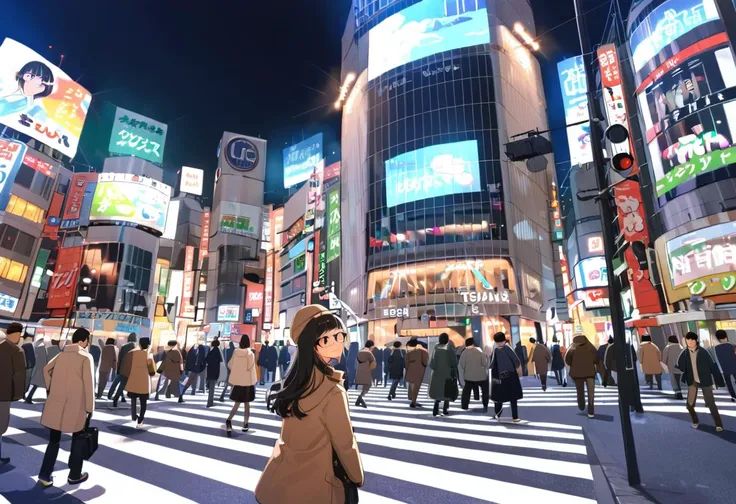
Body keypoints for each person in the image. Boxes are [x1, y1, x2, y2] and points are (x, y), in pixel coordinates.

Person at [256, 305, 363, 503]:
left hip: (282, 482)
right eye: (325, 339)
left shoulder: (295, 384)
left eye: (339, 336)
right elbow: (345, 444)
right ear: (311, 345)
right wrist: (357, 476)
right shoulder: (333, 391)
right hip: (319, 487)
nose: (336, 343)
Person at [38, 328, 95, 487]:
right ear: (83, 341)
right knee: (77, 438)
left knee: (54, 441)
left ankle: (44, 475)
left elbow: (46, 369)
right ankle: (74, 475)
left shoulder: (62, 354)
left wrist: (51, 389)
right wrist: (90, 408)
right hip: (76, 406)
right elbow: (89, 385)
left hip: (56, 402)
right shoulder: (85, 357)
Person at [676, 332, 725, 432]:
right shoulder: (684, 353)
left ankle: (718, 424)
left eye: (692, 340)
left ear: (696, 340)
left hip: (705, 380)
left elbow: (713, 366)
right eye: (688, 340)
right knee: (689, 405)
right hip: (692, 381)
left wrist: (716, 382)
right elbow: (680, 365)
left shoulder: (703, 352)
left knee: (711, 403)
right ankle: (695, 421)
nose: (690, 342)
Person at [1, 323, 26, 465]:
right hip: (4, 394)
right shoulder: (16, 351)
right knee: (1, 427)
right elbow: (19, 376)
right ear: (17, 334)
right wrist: (17, 395)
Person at [225, 335, 257, 435]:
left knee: (237, 403)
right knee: (247, 404)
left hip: (238, 382)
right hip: (247, 382)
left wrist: (237, 371)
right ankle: (245, 424)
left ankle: (229, 420)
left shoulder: (236, 352)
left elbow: (230, 364)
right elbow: (250, 367)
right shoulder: (250, 353)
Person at [121, 337, 156, 429]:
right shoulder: (148, 356)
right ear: (148, 345)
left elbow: (126, 367)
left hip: (133, 379)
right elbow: (152, 371)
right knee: (143, 402)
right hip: (144, 381)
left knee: (133, 398)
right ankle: (140, 420)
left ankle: (133, 415)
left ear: (139, 344)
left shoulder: (132, 354)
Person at [490, 332, 523, 422]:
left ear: (504, 340)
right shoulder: (497, 349)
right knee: (501, 396)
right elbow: (516, 361)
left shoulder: (506, 348)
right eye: (497, 342)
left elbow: (516, 361)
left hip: (509, 376)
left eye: (500, 342)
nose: (499, 344)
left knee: (510, 397)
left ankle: (514, 416)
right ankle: (499, 414)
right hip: (505, 376)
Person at [565, 334, 599, 418]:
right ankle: (591, 412)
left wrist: (574, 364)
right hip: (590, 372)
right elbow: (596, 359)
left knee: (580, 390)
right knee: (591, 393)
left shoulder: (573, 348)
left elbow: (567, 359)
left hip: (578, 373)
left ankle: (581, 404)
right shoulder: (590, 347)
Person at [429, 333, 458, 417]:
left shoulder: (435, 348)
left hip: (437, 373)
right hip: (447, 373)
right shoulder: (450, 349)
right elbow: (454, 363)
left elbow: (432, 363)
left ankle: (436, 407)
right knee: (447, 390)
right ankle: (445, 409)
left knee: (438, 390)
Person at [459, 337, 490, 412]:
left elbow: (462, 365)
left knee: (466, 391)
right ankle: (485, 405)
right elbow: (485, 364)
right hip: (481, 377)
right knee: (485, 391)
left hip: (469, 377)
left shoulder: (464, 353)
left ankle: (464, 406)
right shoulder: (480, 351)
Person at [108, 333, 137, 407]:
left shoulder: (124, 346)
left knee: (116, 382)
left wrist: (118, 368)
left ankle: (110, 394)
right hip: (129, 370)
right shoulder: (136, 348)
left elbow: (119, 359)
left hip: (122, 368)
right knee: (122, 386)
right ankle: (116, 399)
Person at [405, 338, 429, 408]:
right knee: (416, 386)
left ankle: (413, 400)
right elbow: (425, 362)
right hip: (419, 370)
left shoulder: (408, 353)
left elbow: (406, 364)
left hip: (410, 370)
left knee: (412, 386)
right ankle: (414, 401)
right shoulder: (424, 351)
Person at [714, 329, 736, 402]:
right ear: (726, 336)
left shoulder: (716, 348)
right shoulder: (732, 346)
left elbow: (717, 360)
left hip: (724, 369)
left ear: (717, 338)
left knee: (729, 383)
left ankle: (733, 396)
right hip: (734, 367)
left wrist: (721, 370)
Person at [25, 338, 48, 404]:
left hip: (39, 369)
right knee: (39, 385)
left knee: (36, 385)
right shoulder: (42, 349)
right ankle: (28, 398)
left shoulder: (38, 348)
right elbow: (43, 360)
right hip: (41, 370)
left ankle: (28, 398)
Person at [661, 335, 684, 400]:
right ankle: (680, 392)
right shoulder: (681, 346)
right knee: (678, 380)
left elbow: (664, 359)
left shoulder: (667, 347)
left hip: (672, 367)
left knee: (674, 381)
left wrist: (664, 369)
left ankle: (678, 393)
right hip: (680, 367)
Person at [355, 340, 376, 408]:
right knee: (367, 386)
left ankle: (358, 401)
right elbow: (373, 362)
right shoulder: (369, 353)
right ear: (371, 345)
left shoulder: (359, 352)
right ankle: (361, 398)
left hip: (359, 371)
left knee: (364, 386)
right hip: (367, 372)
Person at [206, 339, 223, 408]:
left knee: (211, 387)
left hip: (210, 370)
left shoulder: (211, 351)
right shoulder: (217, 351)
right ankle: (210, 402)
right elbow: (220, 360)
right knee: (212, 387)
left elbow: (206, 359)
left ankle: (210, 402)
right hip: (215, 371)